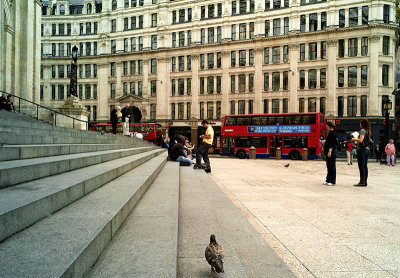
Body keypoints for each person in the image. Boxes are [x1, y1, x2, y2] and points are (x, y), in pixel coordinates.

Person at [351, 119, 371, 187]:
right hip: (367, 150)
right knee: (365, 166)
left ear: (362, 124)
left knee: (361, 166)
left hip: (362, 150)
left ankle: (362, 182)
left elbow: (360, 140)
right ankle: (365, 182)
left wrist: (354, 139)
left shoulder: (362, 130)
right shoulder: (367, 131)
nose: (359, 125)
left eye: (360, 123)